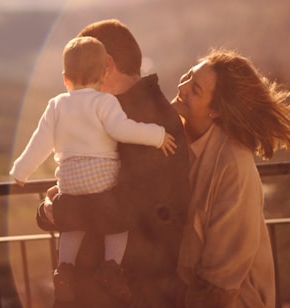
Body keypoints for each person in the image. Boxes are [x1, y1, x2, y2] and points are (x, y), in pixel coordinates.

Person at [36, 19, 191, 307]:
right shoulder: (119, 111)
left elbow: (127, 208)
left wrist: (54, 210)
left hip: (132, 293)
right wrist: (52, 208)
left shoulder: (147, 121)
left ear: (106, 65)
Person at [171, 48, 290, 307]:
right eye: (188, 76)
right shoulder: (171, 138)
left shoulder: (233, 165)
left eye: (195, 89)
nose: (183, 87)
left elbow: (220, 280)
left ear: (215, 111)